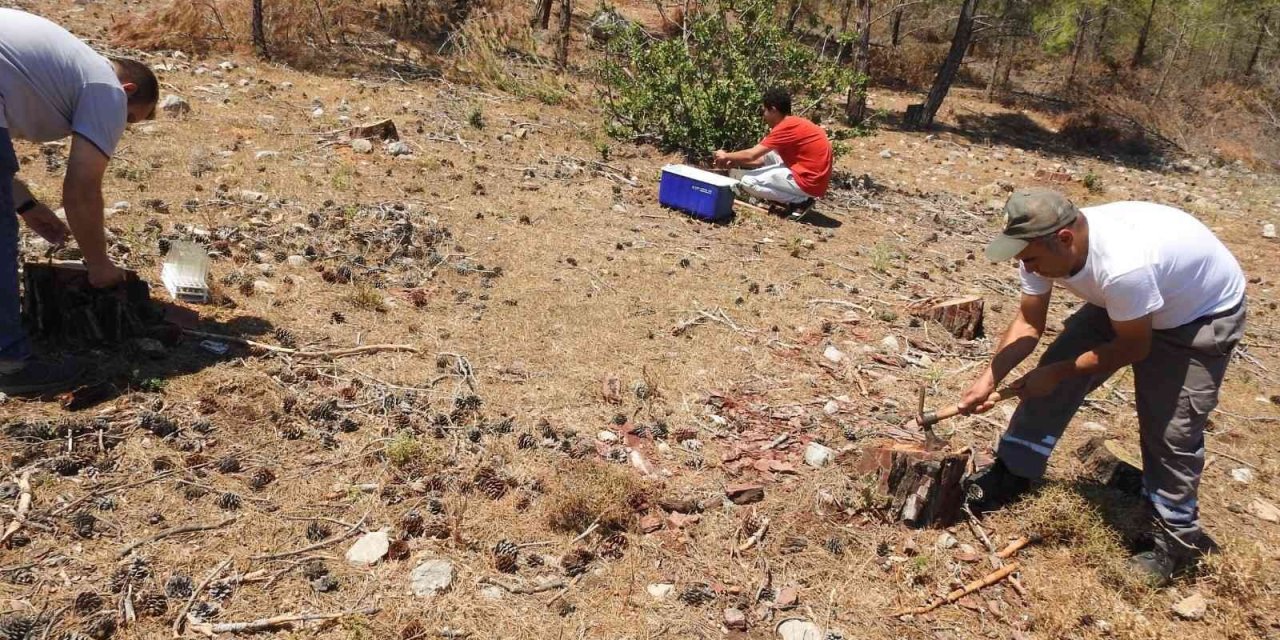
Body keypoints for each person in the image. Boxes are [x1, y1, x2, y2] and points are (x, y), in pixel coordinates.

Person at [958, 188, 1247, 586]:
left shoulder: (1123, 266)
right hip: (1129, 303)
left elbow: (1134, 346)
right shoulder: (1039, 247)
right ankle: (1014, 472)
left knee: (1171, 427)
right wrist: (989, 377)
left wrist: (1059, 372)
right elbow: (1028, 323)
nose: (1029, 268)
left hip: (1196, 315)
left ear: (1064, 239)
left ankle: (1175, 541)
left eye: (1033, 260)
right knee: (1053, 370)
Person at [0, 8, 159, 395]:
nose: (124, 128)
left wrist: (26, 206)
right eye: (134, 119)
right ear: (129, 92)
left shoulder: (63, 69)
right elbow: (81, 190)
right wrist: (99, 265)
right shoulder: (105, 88)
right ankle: (11, 362)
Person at [713, 88, 832, 220]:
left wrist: (726, 155)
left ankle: (800, 201)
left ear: (773, 110)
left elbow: (752, 154)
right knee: (769, 154)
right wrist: (736, 161)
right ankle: (793, 198)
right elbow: (761, 159)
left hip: (809, 182)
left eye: (765, 110)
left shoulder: (786, 127)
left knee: (748, 182)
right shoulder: (794, 123)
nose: (763, 115)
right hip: (814, 177)